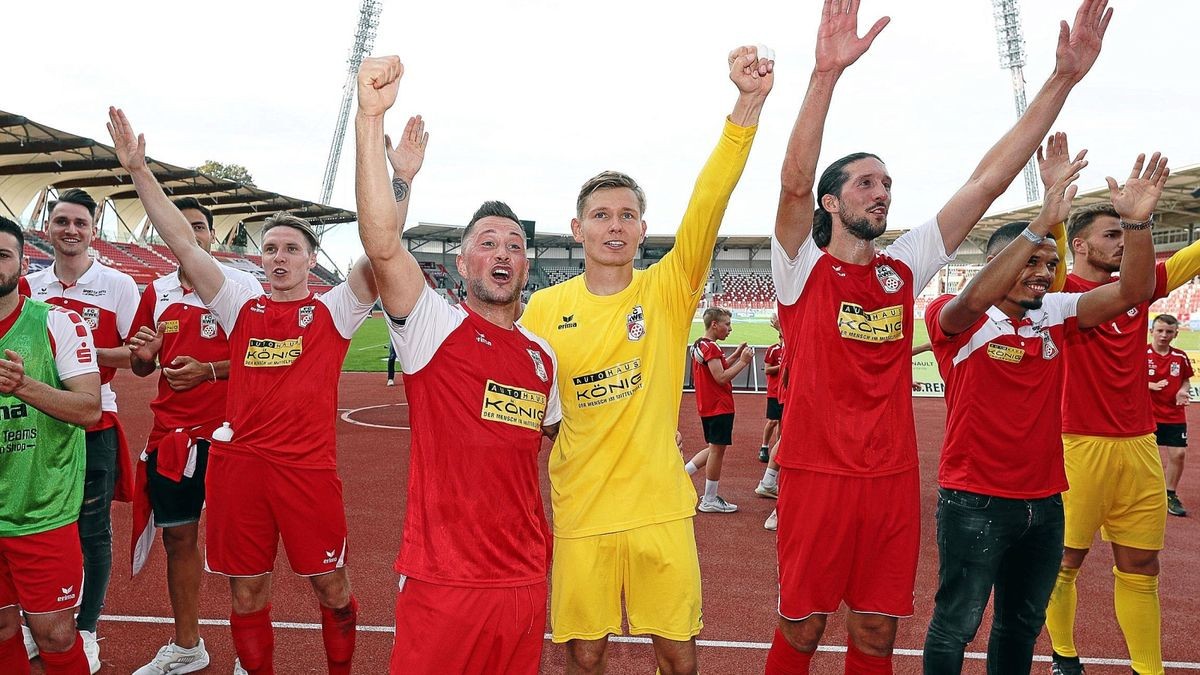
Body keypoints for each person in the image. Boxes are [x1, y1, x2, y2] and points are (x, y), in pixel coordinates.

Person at [766, 0, 1112, 671]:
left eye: (888, 184)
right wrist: (825, 75)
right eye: (865, 182)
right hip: (817, 476)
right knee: (803, 628)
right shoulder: (799, 266)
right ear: (831, 203)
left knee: (875, 632)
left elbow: (987, 179)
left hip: (891, 477)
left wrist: (1062, 80)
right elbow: (790, 182)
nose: (882, 192)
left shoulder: (904, 265)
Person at [519, 44, 774, 674]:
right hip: (582, 509)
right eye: (601, 215)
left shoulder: (666, 289)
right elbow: (525, 406)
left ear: (641, 229)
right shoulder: (543, 310)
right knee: (583, 654)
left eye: (627, 215)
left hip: (659, 505)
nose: (615, 225)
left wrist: (746, 104)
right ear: (575, 229)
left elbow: (709, 202)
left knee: (678, 655)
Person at [108, 107, 378, 675]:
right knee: (246, 594)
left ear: (311, 260)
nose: (279, 258)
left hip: (306, 470)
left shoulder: (333, 310)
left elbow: (380, 244)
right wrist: (138, 171)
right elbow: (183, 241)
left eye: (291, 250)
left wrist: (396, 175)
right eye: (271, 249)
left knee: (332, 587)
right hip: (239, 467)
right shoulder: (241, 305)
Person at [354, 56, 561, 674]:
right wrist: (373, 122)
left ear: (525, 268)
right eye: (488, 244)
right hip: (444, 580)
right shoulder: (432, 328)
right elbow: (382, 243)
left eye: (515, 246)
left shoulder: (542, 358)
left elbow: (543, 441)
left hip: (524, 580)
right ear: (463, 264)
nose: (503, 253)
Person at [922, 152, 1167, 673]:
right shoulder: (956, 319)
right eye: (1031, 262)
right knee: (956, 625)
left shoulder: (1053, 315)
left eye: (1050, 265)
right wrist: (1042, 224)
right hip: (974, 499)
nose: (1044, 274)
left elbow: (1134, 291)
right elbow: (969, 301)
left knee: (1021, 626)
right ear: (999, 263)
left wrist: (1138, 224)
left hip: (1045, 501)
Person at [1046, 184, 1200, 675]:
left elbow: (1192, 259)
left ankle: (1146, 669)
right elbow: (1045, 251)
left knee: (1141, 567)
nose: (1121, 243)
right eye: (1111, 234)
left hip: (1139, 446)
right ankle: (1065, 658)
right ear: (1081, 246)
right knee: (1063, 563)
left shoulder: (1139, 285)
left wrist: (1140, 221)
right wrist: (1053, 206)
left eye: (1124, 234)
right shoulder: (1058, 293)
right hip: (1077, 445)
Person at [125, 197, 262, 675]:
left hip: (231, 435)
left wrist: (207, 371)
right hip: (172, 436)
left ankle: (250, 652)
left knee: (240, 544)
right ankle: (187, 646)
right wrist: (144, 354)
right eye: (182, 227)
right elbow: (143, 365)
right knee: (178, 540)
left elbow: (260, 357)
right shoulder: (156, 290)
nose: (192, 234)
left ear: (211, 235)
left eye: (200, 227)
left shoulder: (239, 286)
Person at [19, 187, 139, 670]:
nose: (71, 230)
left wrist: (80, 348)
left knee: (92, 531)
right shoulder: (29, 284)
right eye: (62, 221)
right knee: (35, 525)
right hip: (35, 425)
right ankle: (37, 624)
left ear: (94, 231)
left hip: (95, 418)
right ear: (48, 227)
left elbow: (140, 354)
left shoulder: (118, 285)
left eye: (80, 223)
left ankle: (86, 629)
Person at [0, 215, 101, 674]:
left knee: (55, 633)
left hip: (41, 508)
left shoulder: (59, 322)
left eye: (2, 254)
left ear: (22, 264)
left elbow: (89, 409)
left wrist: (23, 386)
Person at [684, 306, 754, 513]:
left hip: (708, 405)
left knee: (715, 447)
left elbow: (718, 367)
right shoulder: (712, 348)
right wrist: (743, 362)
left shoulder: (700, 345)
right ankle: (710, 499)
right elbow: (721, 377)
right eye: (727, 324)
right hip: (719, 406)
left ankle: (683, 473)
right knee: (717, 450)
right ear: (714, 325)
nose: (730, 329)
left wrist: (736, 355)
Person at [1147, 314, 1192, 517]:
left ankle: (1170, 494)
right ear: (1152, 332)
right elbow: (1126, 379)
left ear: (1175, 334)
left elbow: (1186, 381)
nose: (1164, 335)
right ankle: (1146, 495)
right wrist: (1149, 385)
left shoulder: (1180, 357)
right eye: (1160, 331)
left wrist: (1183, 390)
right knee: (1147, 458)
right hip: (1146, 415)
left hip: (1174, 414)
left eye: (1169, 332)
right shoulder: (1140, 353)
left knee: (1178, 454)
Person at [759, 313, 784, 463]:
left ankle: (778, 447)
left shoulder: (791, 349)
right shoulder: (773, 350)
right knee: (773, 421)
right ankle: (764, 446)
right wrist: (783, 366)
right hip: (774, 391)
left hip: (786, 391)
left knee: (782, 422)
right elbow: (767, 369)